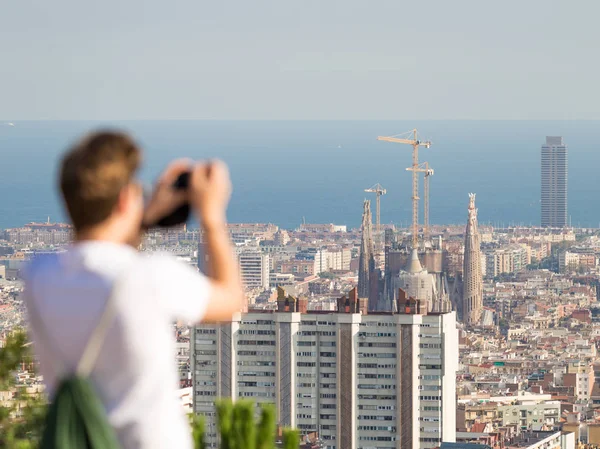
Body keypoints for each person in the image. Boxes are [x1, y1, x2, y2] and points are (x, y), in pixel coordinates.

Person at [23, 131, 243, 449]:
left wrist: (141, 218)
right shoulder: (151, 277)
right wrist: (211, 216)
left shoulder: (38, 275)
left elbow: (101, 254)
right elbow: (232, 300)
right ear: (127, 199)